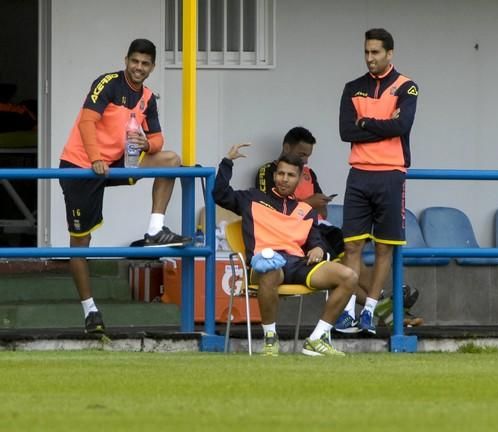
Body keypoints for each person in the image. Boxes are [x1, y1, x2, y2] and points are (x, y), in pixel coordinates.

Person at [59, 39, 191, 334]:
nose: (139, 68)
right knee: (81, 243)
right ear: (126, 60)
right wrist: (94, 159)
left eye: (145, 64)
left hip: (115, 164)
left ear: (152, 67)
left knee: (171, 160)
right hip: (80, 165)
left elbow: (158, 139)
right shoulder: (107, 83)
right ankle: (90, 310)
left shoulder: (148, 97)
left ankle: (155, 229)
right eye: (135, 61)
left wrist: (148, 143)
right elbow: (86, 123)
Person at [255, 126, 423, 333]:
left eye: (308, 156)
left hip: (317, 226)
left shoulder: (309, 173)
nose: (305, 160)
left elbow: (321, 210)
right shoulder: (267, 171)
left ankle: (386, 306)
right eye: (301, 154)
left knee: (352, 258)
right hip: (291, 233)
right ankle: (390, 305)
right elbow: (270, 206)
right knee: (345, 268)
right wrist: (308, 202)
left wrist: (319, 203)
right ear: (286, 147)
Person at [214, 143, 357, 356]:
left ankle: (317, 338)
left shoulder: (305, 210)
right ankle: (271, 339)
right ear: (274, 176)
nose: (284, 178)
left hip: (297, 264)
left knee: (349, 276)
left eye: (290, 175)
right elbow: (220, 194)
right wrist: (227, 162)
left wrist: (318, 248)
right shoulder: (252, 198)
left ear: (299, 179)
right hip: (266, 264)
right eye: (280, 173)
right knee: (271, 271)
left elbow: (314, 239)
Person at [338, 28, 419, 334]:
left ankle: (369, 312)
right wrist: (381, 127)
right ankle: (346, 311)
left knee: (385, 248)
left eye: (375, 53)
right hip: (358, 173)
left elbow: (402, 125)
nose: (370, 58)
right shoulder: (352, 87)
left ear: (389, 54)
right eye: (366, 52)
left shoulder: (406, 86)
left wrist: (367, 123)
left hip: (391, 174)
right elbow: (346, 132)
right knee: (353, 245)